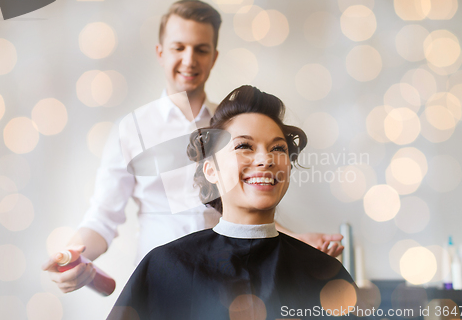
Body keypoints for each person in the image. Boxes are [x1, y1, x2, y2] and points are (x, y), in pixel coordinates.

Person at [42, 0, 343, 294]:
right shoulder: (131, 130)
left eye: (201, 49)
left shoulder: (236, 128)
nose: (189, 60)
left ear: (214, 57)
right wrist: (74, 256)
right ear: (160, 52)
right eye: (179, 47)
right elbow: (103, 218)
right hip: (163, 280)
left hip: (229, 277)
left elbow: (247, 208)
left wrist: (295, 240)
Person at [106, 86, 372, 320]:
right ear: (211, 169)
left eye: (278, 149)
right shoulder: (165, 267)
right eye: (244, 146)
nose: (265, 159)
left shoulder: (326, 272)